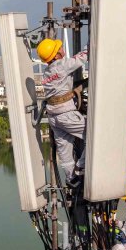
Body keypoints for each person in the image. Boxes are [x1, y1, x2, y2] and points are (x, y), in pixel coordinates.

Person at [35, 37, 88, 186]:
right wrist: (93, 37)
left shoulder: (46, 73)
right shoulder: (63, 66)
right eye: (59, 48)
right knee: (94, 134)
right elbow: (84, 55)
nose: (62, 48)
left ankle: (72, 179)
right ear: (56, 54)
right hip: (66, 114)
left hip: (54, 116)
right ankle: (81, 166)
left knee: (64, 150)